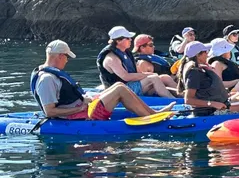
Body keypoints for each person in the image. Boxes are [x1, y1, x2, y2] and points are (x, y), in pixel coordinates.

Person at [32, 40, 174, 120]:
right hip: (80, 115)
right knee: (119, 89)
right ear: (59, 56)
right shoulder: (47, 79)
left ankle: (154, 113)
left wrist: (85, 99)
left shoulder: (51, 75)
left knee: (119, 84)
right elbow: (50, 112)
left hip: (83, 108)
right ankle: (152, 118)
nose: (67, 60)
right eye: (67, 57)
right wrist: (80, 107)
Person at [98, 26, 175, 98]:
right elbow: (126, 77)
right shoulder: (111, 58)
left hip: (130, 85)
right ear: (118, 41)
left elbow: (136, 72)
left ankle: (181, 95)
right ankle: (172, 99)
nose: (131, 39)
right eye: (128, 38)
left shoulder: (126, 53)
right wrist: (149, 75)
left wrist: (149, 75)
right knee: (153, 78)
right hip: (119, 91)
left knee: (165, 78)